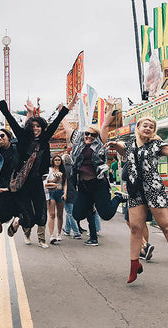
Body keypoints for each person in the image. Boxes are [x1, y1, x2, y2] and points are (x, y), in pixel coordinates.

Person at [106, 116, 168, 285]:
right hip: (135, 190)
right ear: (138, 128)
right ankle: (134, 265)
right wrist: (115, 145)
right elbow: (124, 152)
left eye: (151, 126)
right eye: (145, 125)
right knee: (135, 228)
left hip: (154, 189)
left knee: (166, 227)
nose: (148, 128)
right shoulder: (130, 145)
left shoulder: (158, 144)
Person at [0, 86, 77, 248]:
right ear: (29, 128)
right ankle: (18, 221)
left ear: (42, 127)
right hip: (22, 184)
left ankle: (18, 221)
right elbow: (9, 117)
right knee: (29, 219)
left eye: (38, 126)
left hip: (37, 183)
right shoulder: (22, 138)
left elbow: (56, 121)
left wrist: (69, 106)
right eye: (33, 127)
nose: (36, 129)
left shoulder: (45, 138)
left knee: (41, 218)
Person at [62, 96, 127, 246]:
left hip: (98, 184)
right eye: (87, 134)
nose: (90, 136)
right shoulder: (78, 141)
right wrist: (63, 112)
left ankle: (117, 198)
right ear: (83, 134)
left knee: (106, 214)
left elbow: (104, 125)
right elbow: (67, 128)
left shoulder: (100, 143)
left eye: (93, 135)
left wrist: (110, 108)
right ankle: (93, 236)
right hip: (83, 186)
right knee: (77, 214)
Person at [0, 128, 28, 227]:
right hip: (0, 186)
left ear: (9, 137)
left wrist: (29, 113)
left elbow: (24, 131)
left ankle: (12, 225)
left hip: (16, 185)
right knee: (4, 215)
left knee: (21, 212)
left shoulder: (16, 147)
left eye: (2, 135)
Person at [46, 154, 66, 244]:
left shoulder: (63, 170)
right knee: (52, 214)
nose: (57, 161)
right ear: (53, 161)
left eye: (59, 160)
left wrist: (65, 193)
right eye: (56, 160)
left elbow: (65, 183)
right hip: (51, 192)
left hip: (60, 192)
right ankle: (51, 235)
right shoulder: (49, 170)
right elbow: (47, 182)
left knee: (60, 214)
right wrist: (55, 179)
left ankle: (59, 233)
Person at [61, 154, 81, 239]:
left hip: (66, 191)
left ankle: (76, 232)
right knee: (69, 211)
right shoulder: (73, 168)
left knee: (69, 212)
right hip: (73, 191)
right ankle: (67, 230)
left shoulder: (63, 169)